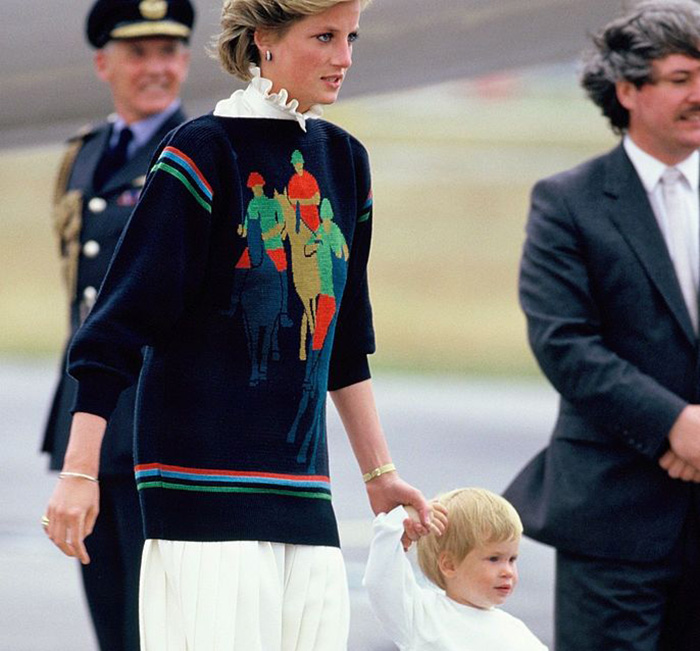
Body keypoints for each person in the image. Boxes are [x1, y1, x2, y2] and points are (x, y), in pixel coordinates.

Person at [43, 0, 430, 649]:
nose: (345, 58)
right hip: (200, 494)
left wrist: (379, 473)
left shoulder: (346, 160)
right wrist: (79, 473)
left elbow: (341, 346)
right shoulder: (201, 149)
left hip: (306, 496)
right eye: (326, 37)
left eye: (351, 37)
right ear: (264, 41)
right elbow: (115, 329)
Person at [503, 2, 700, 649]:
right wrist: (676, 423)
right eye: (680, 78)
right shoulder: (567, 202)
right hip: (614, 519)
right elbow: (564, 342)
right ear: (627, 90)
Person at [41, 1, 194, 649]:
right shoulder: (85, 154)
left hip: (158, 417)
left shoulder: (196, 152)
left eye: (170, 51)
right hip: (91, 419)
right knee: (108, 613)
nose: (157, 68)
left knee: (155, 623)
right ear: (104, 63)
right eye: (139, 52)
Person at [363, 488, 548, 650]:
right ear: (449, 565)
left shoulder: (517, 632)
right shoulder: (421, 617)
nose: (507, 571)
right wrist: (399, 519)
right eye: (494, 559)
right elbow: (381, 581)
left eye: (512, 559)